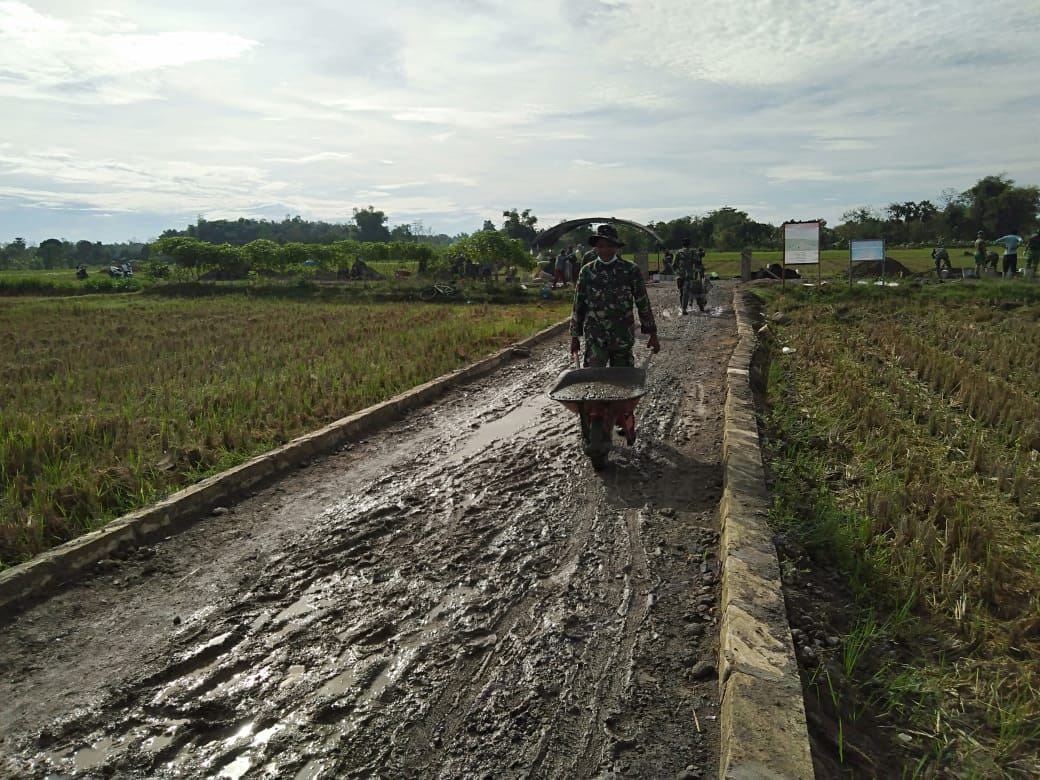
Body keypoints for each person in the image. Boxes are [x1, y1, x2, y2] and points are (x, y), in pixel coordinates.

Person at [570, 224, 660, 368]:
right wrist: (575, 336)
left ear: (616, 247)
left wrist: (652, 334)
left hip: (622, 337)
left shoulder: (630, 270)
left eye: (610, 245)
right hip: (595, 338)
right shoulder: (587, 271)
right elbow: (578, 304)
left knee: (624, 383)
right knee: (593, 382)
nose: (605, 250)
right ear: (596, 248)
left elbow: (643, 303)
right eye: (601, 246)